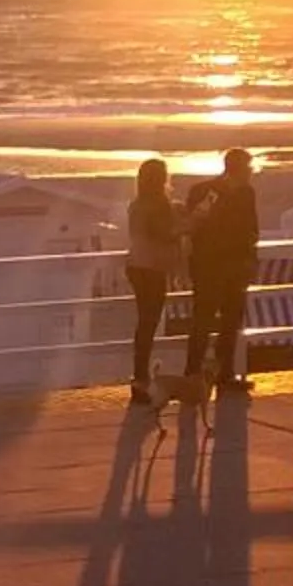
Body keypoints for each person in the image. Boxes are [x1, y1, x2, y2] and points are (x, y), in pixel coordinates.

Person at [182, 149, 260, 394]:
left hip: (233, 268)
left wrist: (249, 259)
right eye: (249, 167)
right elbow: (193, 227)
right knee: (203, 322)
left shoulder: (247, 193)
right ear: (238, 168)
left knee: (230, 322)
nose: (251, 172)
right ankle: (193, 374)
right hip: (210, 267)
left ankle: (223, 373)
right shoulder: (205, 192)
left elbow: (251, 228)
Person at [123, 158, 183, 403]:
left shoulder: (136, 204)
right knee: (149, 323)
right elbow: (164, 234)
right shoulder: (158, 204)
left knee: (144, 324)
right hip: (152, 268)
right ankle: (140, 379)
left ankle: (140, 377)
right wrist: (187, 225)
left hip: (135, 265)